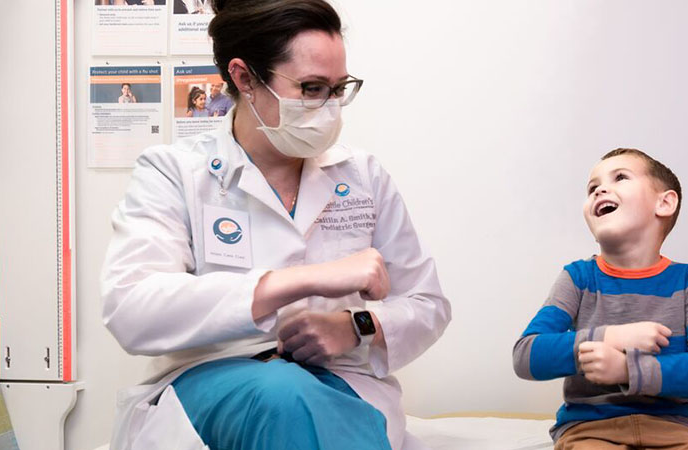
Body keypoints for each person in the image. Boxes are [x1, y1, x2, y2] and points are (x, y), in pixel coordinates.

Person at [100, 1, 450, 449]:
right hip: (215, 381)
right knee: (285, 397)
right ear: (245, 78)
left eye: (338, 88)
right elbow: (132, 309)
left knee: (312, 406)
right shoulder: (175, 172)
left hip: (340, 381)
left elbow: (428, 303)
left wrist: (357, 325)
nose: (329, 106)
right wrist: (299, 281)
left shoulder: (362, 175)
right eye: (310, 87)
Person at [512, 149, 688, 449]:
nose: (600, 189)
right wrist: (611, 337)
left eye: (620, 177)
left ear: (664, 203)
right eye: (592, 188)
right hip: (589, 428)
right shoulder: (578, 277)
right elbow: (526, 354)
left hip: (674, 429)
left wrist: (628, 370)